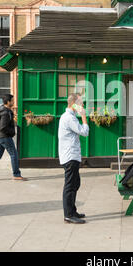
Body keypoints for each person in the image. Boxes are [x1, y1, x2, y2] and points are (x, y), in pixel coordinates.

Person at [58, 93, 89, 224]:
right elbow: (84, 132)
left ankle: (72, 210)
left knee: (75, 183)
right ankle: (68, 215)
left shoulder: (69, 116)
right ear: (74, 104)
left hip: (72, 155)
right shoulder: (70, 118)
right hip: (70, 156)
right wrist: (83, 117)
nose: (82, 105)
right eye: (81, 103)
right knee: (70, 186)